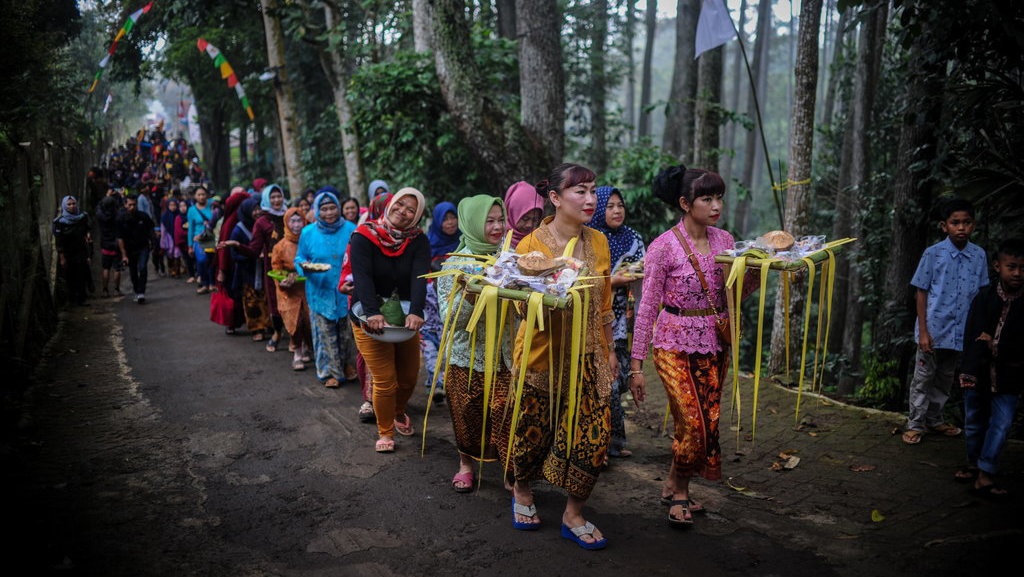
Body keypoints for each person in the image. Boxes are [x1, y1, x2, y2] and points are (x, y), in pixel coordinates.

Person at [628, 165, 746, 527]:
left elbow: (733, 293)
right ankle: (680, 495)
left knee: (705, 421)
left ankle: (673, 481)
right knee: (693, 422)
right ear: (684, 203)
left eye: (719, 198)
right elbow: (647, 305)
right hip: (672, 343)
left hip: (715, 341)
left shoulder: (726, 241)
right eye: (706, 198)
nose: (715, 206)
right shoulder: (663, 247)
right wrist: (636, 366)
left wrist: (765, 271)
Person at [507, 163, 615, 551]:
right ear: (555, 198)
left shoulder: (599, 242)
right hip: (541, 356)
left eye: (593, 190)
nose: (590, 200)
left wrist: (610, 348)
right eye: (579, 191)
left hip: (590, 355)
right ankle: (521, 489)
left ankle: (573, 512)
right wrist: (544, 294)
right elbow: (520, 308)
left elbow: (605, 301)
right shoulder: (530, 244)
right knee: (531, 433)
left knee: (596, 436)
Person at [436, 194, 512, 492]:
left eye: (500, 220)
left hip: (505, 356)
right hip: (465, 357)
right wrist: (471, 295)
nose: (496, 227)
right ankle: (466, 464)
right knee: (466, 413)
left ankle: (511, 469)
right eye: (488, 221)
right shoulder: (456, 265)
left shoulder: (511, 258)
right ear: (472, 224)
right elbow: (447, 315)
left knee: (506, 412)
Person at [902, 198, 989, 445]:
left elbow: (982, 293)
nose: (961, 227)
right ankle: (916, 423)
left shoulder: (978, 255)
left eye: (966, 222)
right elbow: (921, 291)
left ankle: (935, 420)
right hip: (933, 329)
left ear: (973, 225)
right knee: (923, 376)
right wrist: (924, 332)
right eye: (955, 223)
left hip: (961, 331)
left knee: (945, 376)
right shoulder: (933, 254)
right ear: (944, 226)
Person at [349, 188, 429, 453]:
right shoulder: (363, 236)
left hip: (405, 315)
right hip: (366, 314)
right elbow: (362, 277)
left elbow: (419, 277)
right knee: (384, 378)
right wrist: (373, 312)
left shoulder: (418, 240)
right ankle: (385, 431)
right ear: (391, 203)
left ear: (416, 217)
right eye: (400, 204)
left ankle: (397, 410)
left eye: (411, 210)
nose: (402, 212)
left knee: (408, 376)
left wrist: (417, 311)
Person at [955, 238, 1023, 499]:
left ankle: (986, 473)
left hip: (1010, 377)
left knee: (1002, 423)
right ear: (998, 267)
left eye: (1022, 268)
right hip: (979, 373)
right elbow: (973, 335)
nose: (1017, 273)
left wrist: (996, 345)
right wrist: (968, 370)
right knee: (974, 422)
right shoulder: (984, 297)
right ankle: (974, 464)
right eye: (1012, 267)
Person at [586, 185, 646, 459]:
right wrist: (614, 280)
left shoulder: (634, 238)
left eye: (620, 205)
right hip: (597, 321)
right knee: (606, 382)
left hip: (625, 320)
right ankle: (603, 444)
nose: (617, 210)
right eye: (609, 206)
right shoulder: (591, 239)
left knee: (618, 382)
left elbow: (643, 269)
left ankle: (614, 441)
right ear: (599, 208)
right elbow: (589, 281)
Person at [294, 189, 357, 388]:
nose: (329, 213)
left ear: (339, 209)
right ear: (317, 211)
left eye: (332, 208)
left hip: (346, 289)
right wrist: (304, 267)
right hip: (319, 290)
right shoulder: (308, 232)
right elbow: (300, 258)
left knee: (347, 334)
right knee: (324, 334)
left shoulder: (350, 228)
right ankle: (328, 372)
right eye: (324, 209)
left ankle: (347, 365)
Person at [341, 192, 394, 423]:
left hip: (396, 305)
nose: (390, 217)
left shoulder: (408, 237)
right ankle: (370, 400)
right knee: (369, 354)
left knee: (396, 352)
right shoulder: (361, 237)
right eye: (386, 210)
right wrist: (345, 284)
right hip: (365, 304)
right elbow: (347, 269)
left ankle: (394, 400)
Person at [423, 201, 461, 400]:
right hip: (431, 299)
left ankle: (440, 381)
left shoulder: (463, 242)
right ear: (438, 221)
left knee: (450, 340)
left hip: (454, 297)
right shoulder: (428, 244)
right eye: (445, 218)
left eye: (453, 217)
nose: (450, 222)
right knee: (430, 339)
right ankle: (436, 381)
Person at [272, 207, 314, 371]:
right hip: (289, 290)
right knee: (294, 321)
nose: (296, 225)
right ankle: (296, 352)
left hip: (307, 287)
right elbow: (276, 269)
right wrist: (283, 281)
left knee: (308, 320)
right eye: (292, 221)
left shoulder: (309, 241)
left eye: (299, 220)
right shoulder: (280, 246)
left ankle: (305, 346)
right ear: (286, 223)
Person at [224, 198, 271, 340]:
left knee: (264, 298)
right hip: (247, 272)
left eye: (259, 209)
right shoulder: (238, 230)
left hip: (263, 270)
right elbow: (234, 254)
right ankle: (256, 329)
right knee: (251, 302)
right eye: (254, 210)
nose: (257, 212)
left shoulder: (264, 225)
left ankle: (267, 324)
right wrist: (252, 256)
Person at [252, 183, 289, 352]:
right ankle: (277, 333)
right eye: (272, 197)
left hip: (292, 264)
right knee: (275, 300)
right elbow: (255, 247)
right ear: (267, 199)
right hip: (272, 268)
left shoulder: (290, 215)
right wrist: (236, 246)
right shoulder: (262, 221)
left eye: (279, 196)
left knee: (294, 299)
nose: (276, 200)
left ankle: (297, 338)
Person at [52, 195, 93, 306]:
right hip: (68, 253)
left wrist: (88, 238)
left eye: (73, 203)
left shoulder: (82, 217)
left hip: (81, 251)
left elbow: (87, 230)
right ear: (64, 206)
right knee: (70, 276)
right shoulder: (60, 222)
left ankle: (81, 299)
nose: (72, 206)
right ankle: (72, 300)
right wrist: (62, 257)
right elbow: (59, 241)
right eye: (69, 204)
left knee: (82, 275)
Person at [117, 194, 157, 304]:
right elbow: (119, 237)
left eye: (134, 205)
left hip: (143, 247)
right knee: (133, 270)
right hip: (130, 249)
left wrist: (153, 242)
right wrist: (124, 254)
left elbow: (151, 229)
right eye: (130, 205)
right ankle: (136, 290)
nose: (132, 207)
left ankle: (141, 292)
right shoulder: (121, 219)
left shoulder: (143, 216)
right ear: (125, 205)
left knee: (143, 268)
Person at [187, 185, 218, 295]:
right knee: (201, 261)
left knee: (211, 261)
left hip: (210, 237)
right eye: (199, 195)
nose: (201, 197)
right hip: (198, 239)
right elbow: (190, 228)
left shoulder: (212, 205)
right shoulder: (191, 210)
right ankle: (204, 283)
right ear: (195, 196)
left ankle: (212, 283)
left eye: (203, 194)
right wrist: (190, 246)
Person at [95, 193, 124, 297]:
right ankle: (116, 289)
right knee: (117, 268)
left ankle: (105, 290)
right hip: (116, 244)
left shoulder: (100, 216)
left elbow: (98, 207)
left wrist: (104, 197)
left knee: (106, 268)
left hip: (105, 243)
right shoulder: (117, 215)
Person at [504, 180, 544, 249]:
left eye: (535, 220)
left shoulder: (540, 242)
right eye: (525, 219)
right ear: (512, 214)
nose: (529, 225)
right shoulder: (496, 240)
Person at [160, 197, 182, 278]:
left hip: (177, 237)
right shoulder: (165, 216)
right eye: (171, 205)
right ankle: (171, 269)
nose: (173, 207)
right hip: (168, 238)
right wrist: (163, 241)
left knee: (177, 254)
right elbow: (163, 229)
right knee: (169, 254)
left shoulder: (179, 215)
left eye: (174, 205)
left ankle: (177, 271)